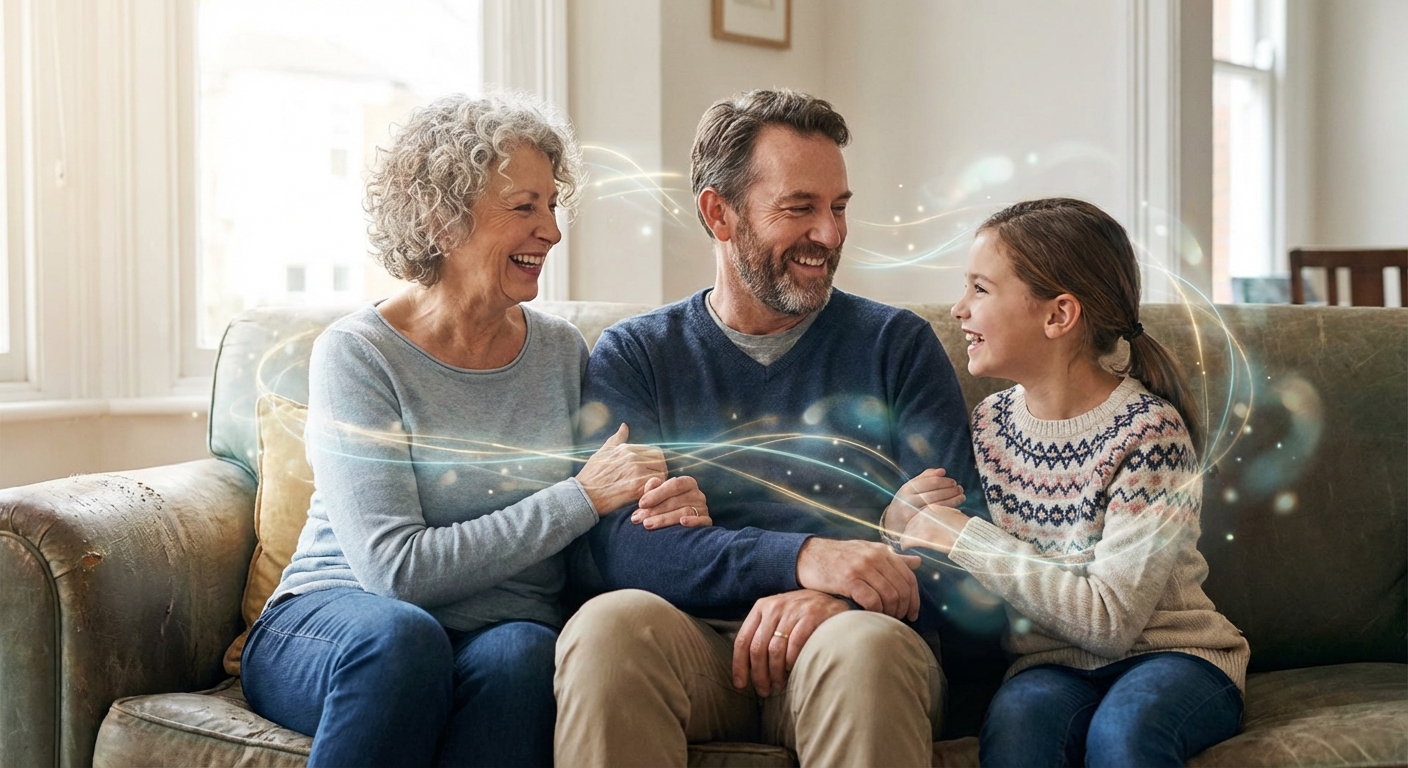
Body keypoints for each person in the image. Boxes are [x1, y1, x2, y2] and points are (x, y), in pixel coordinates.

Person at [239, 92, 709, 768]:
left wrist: (663, 511)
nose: (550, 230)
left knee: (525, 656)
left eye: (552, 205)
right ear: (441, 220)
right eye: (524, 207)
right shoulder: (359, 354)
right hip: (339, 625)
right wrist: (580, 497)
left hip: (496, 630)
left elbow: (591, 533)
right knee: (403, 642)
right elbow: (394, 570)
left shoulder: (562, 354)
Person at [554, 89, 994, 767]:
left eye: (839, 207)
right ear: (719, 213)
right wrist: (810, 556)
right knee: (607, 630)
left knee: (867, 652)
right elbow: (622, 552)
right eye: (800, 209)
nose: (831, 234)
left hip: (852, 636)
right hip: (695, 643)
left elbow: (961, 556)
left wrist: (839, 595)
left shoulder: (895, 346)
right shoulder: (638, 354)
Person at [895, 198, 1250, 767]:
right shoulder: (988, 427)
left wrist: (960, 534)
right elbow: (962, 577)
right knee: (1016, 730)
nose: (959, 309)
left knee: (1125, 734)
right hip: (1046, 666)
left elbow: (1109, 621)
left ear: (1058, 315)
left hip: (1173, 658)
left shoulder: (1149, 433)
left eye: (981, 289)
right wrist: (902, 524)